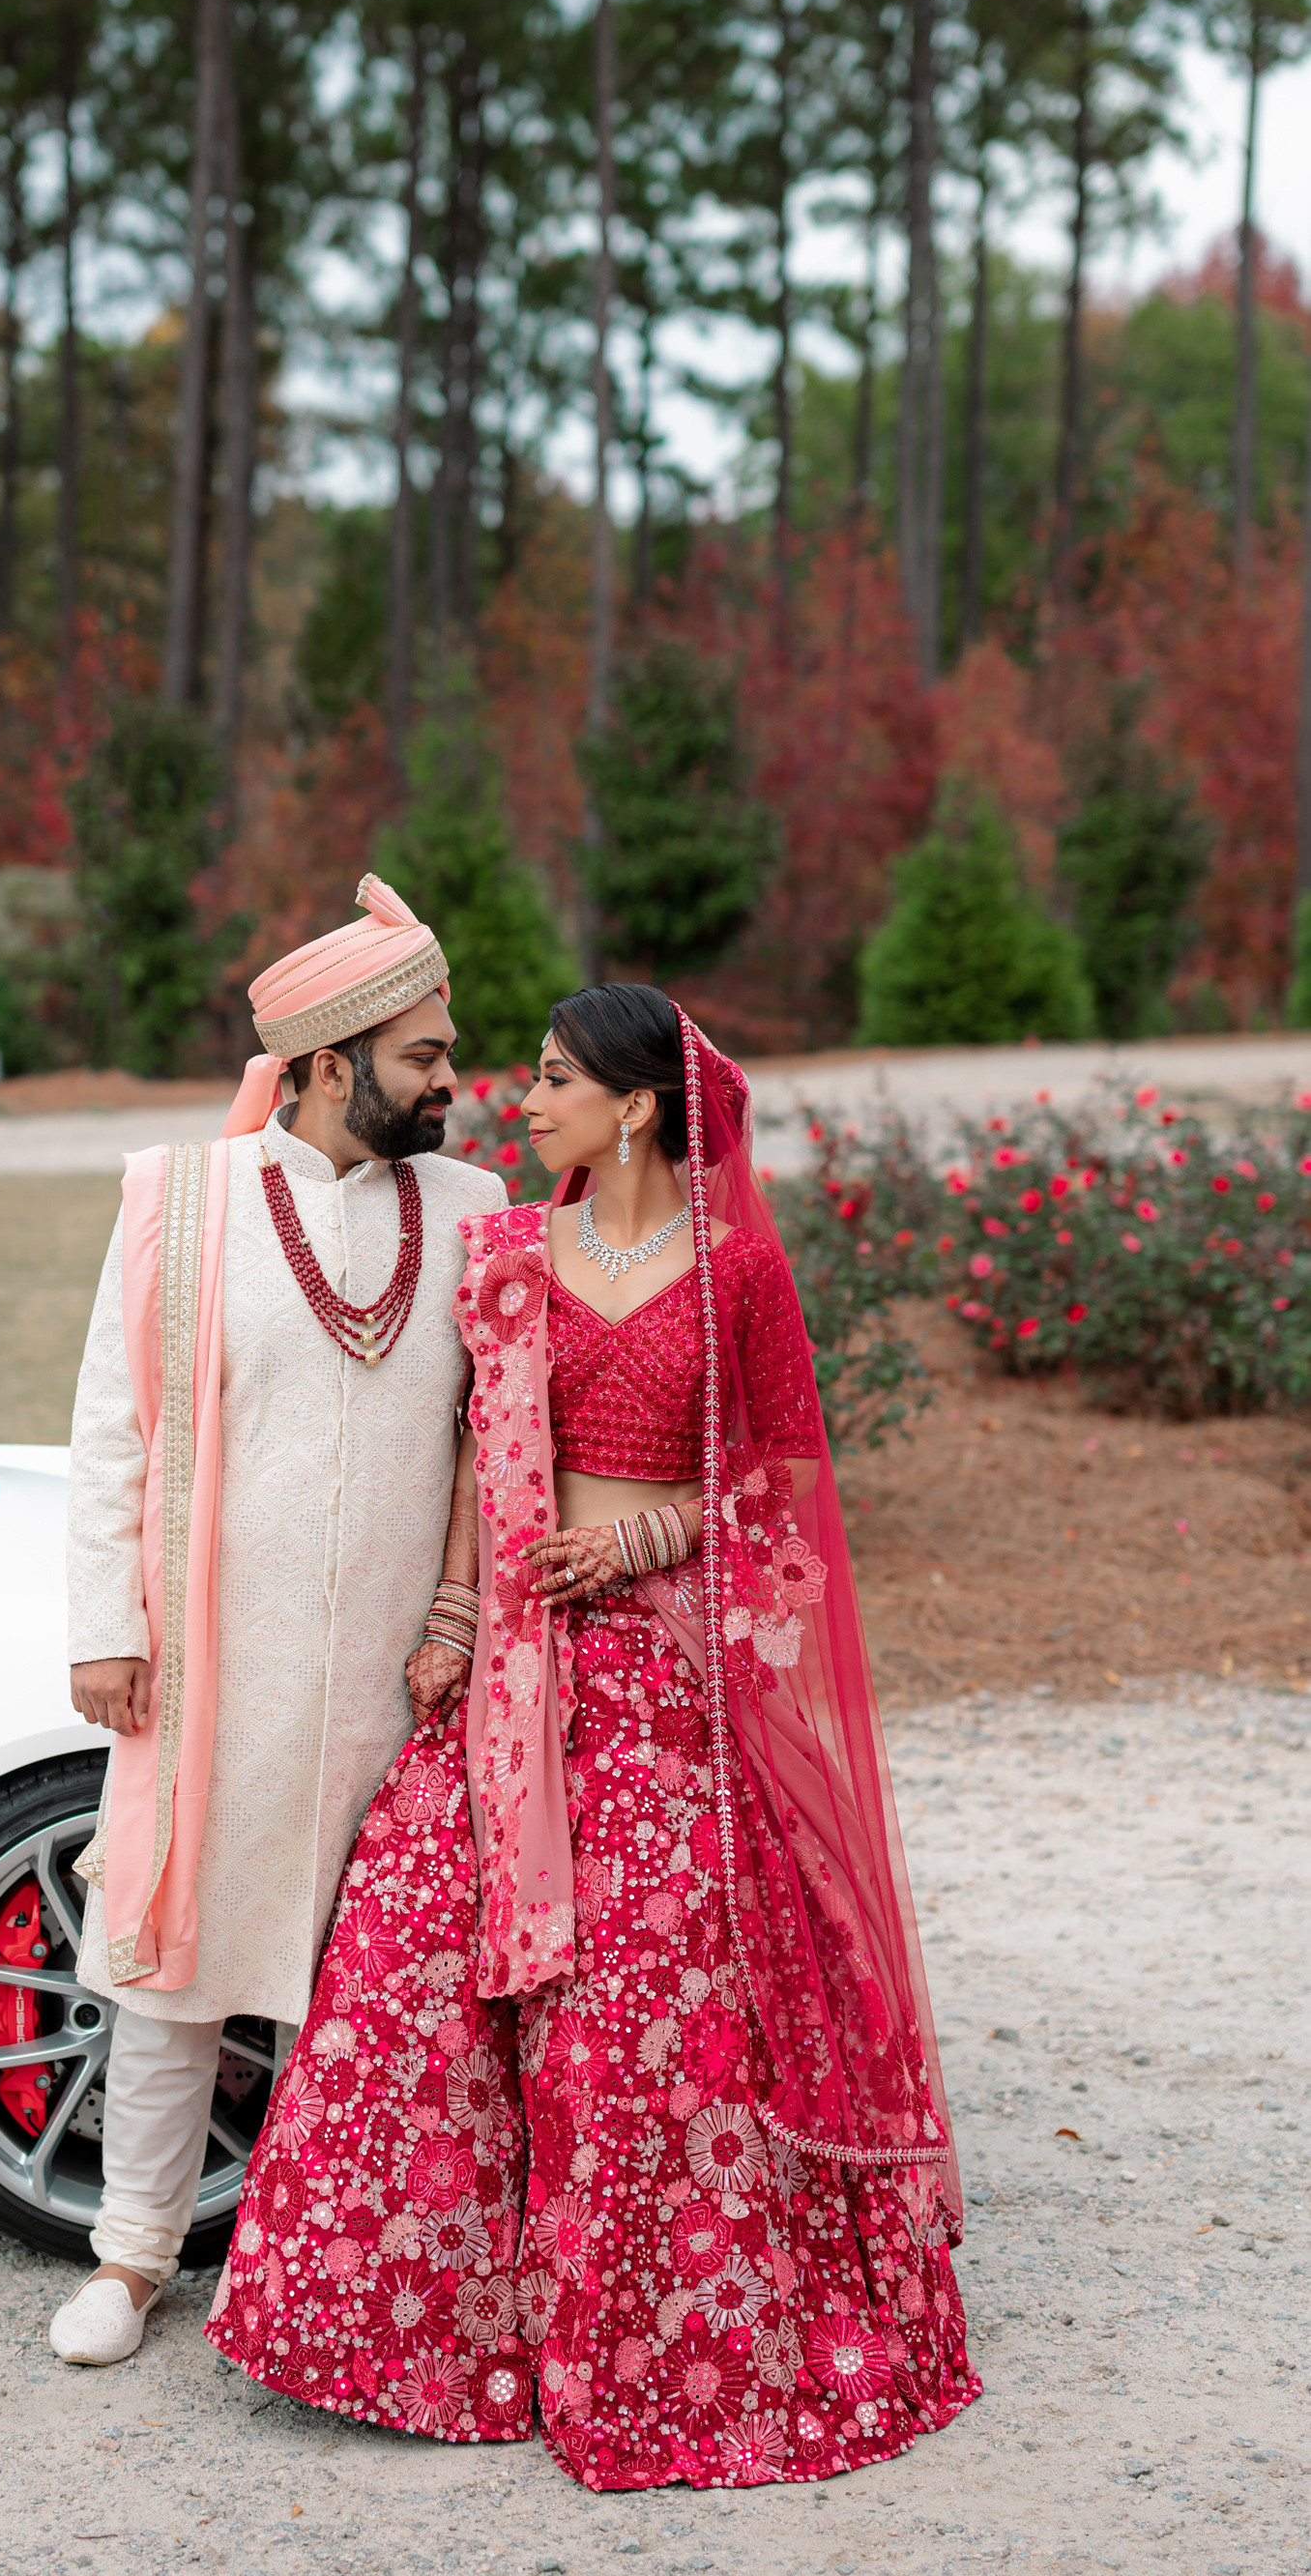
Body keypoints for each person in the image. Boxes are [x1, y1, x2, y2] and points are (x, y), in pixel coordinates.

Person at [209, 986, 979, 2491]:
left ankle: (659, 2342)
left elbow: (783, 1499)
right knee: (416, 1944)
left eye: (554, 1080)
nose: (524, 1098)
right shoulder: (505, 1259)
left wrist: (641, 1547)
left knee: (650, 1994)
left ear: (634, 1106)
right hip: (513, 1671)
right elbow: (468, 1460)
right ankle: (425, 2338)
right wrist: (448, 1624)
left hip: (669, 1679)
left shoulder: (739, 1274)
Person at [50, 876, 507, 2367]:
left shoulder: (474, 1210)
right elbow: (115, 1429)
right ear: (323, 1064)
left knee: (366, 1992)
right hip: (216, 1665)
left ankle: (327, 2274)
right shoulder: (182, 1199)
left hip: (408, 1671)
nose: (453, 1080)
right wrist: (105, 1621)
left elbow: (492, 1440)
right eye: (425, 1057)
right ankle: (129, 2262)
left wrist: (466, 1618)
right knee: (176, 1969)